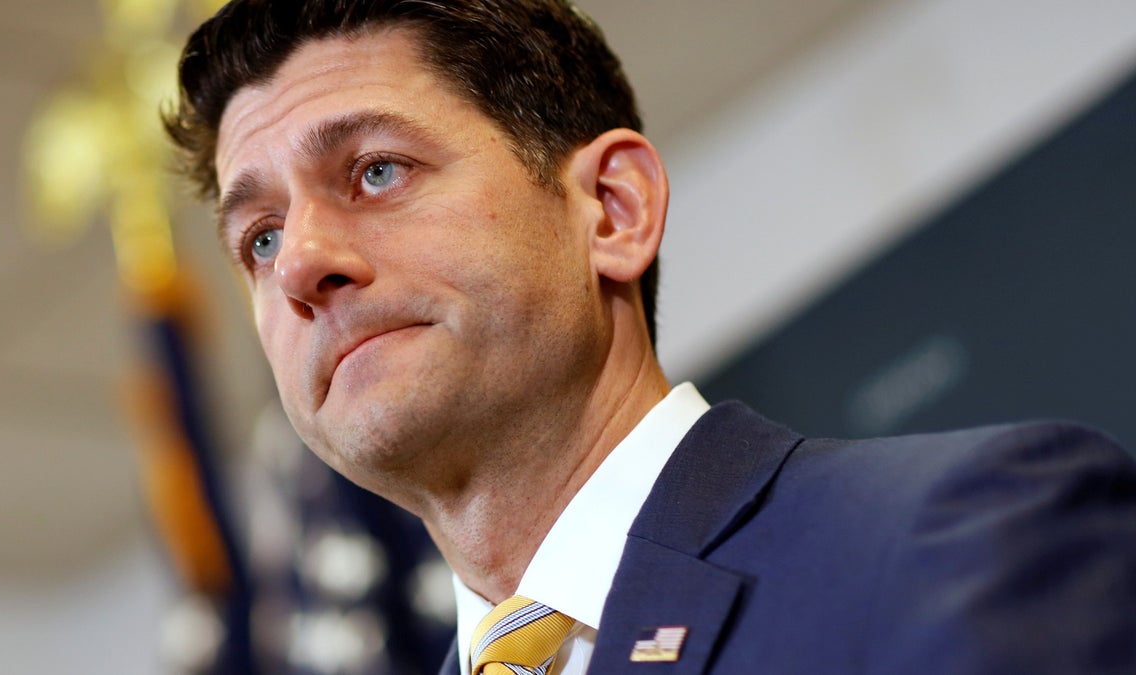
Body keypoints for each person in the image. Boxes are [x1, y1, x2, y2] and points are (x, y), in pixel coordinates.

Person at [164, 1, 1136, 673]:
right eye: (260, 238)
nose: (300, 264)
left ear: (614, 211)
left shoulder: (953, 543)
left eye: (376, 171)